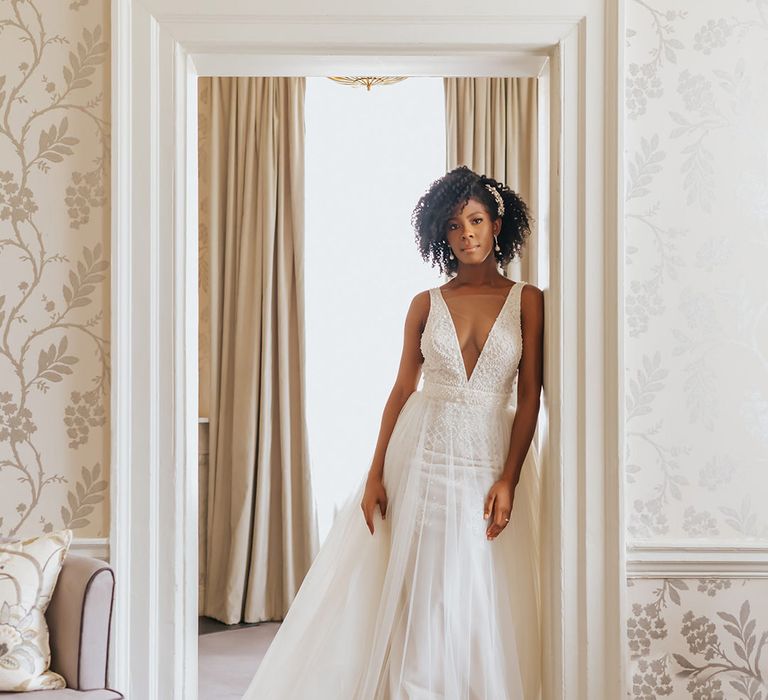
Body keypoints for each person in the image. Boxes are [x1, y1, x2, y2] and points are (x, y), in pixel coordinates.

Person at [242, 165, 544, 699]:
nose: (466, 234)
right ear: (440, 234)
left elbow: (529, 396)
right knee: (427, 592)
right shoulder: (425, 304)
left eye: (476, 220)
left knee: (478, 590)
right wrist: (376, 472)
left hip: (488, 457)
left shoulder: (529, 300)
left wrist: (510, 480)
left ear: (497, 224)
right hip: (424, 454)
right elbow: (402, 390)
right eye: (453, 225)